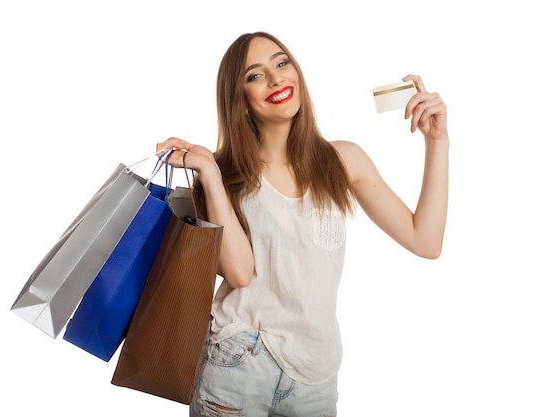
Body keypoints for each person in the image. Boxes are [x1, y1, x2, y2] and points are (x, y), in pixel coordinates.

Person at [157, 31, 449, 417]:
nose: (276, 79)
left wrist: (437, 142)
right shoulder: (225, 174)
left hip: (316, 373)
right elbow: (240, 273)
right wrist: (209, 172)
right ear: (239, 100)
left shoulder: (343, 160)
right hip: (240, 361)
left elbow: (425, 241)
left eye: (281, 63)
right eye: (255, 75)